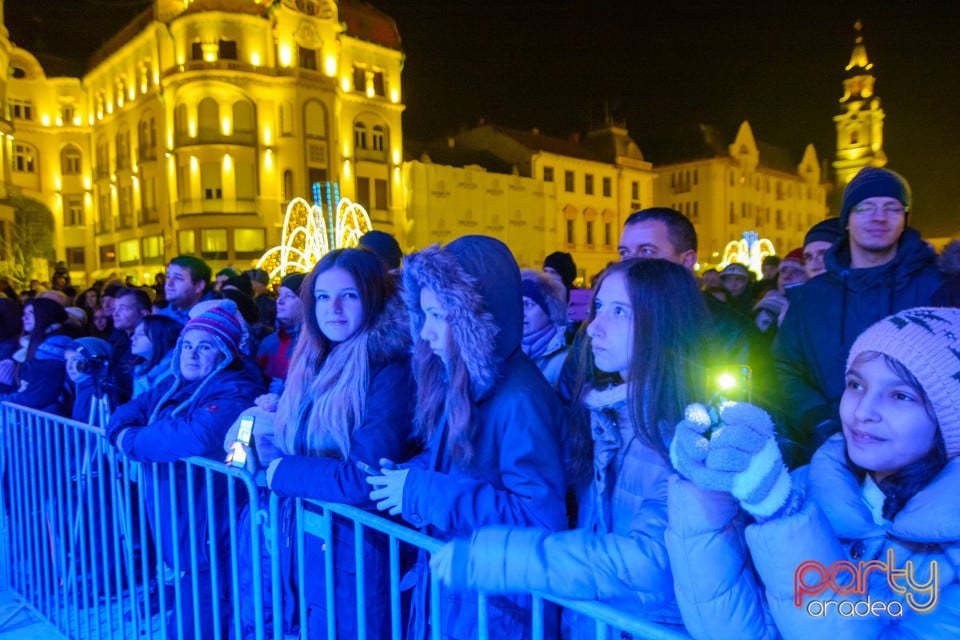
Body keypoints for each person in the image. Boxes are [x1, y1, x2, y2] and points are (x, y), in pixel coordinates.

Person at [430, 259, 708, 633]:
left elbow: (650, 561)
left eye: (620, 311)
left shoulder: (684, 436)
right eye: (599, 308)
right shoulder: (606, 416)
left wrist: (500, 558)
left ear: (665, 323)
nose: (594, 327)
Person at [668, 306, 960, 640]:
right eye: (856, 385)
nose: (863, 411)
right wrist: (704, 490)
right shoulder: (802, 485)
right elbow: (727, 629)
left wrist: (785, 521)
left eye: (900, 395)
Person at [367, 235, 567, 639]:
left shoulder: (518, 398)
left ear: (477, 317)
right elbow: (464, 464)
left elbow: (541, 517)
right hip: (463, 597)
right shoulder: (466, 380)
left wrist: (423, 490)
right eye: (423, 316)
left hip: (498, 609)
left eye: (439, 316)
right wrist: (409, 475)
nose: (425, 334)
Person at [230, 248, 414, 640]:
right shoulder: (315, 358)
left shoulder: (388, 368)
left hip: (356, 551)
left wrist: (280, 469)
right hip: (306, 535)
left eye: (349, 295)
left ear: (373, 298)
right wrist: (279, 413)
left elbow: (365, 478)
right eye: (322, 297)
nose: (334, 309)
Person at [105, 304, 266, 638]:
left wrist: (130, 441)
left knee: (203, 611)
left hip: (211, 524)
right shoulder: (173, 383)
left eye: (204, 347)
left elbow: (196, 435)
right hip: (185, 519)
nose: (192, 355)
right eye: (187, 346)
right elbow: (127, 410)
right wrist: (123, 432)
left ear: (223, 353)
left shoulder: (236, 387)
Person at [773, 167, 943, 467]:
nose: (879, 217)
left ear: (905, 219)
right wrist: (818, 420)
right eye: (865, 207)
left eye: (892, 208)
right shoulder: (812, 297)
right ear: (847, 219)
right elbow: (783, 367)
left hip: (920, 458)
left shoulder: (936, 289)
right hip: (828, 449)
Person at [0, 297, 73, 414]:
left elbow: (39, 393)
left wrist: (6, 400)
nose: (24, 318)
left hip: (48, 417)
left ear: (45, 314)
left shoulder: (55, 345)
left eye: (31, 313)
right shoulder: (34, 344)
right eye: (24, 313)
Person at [255, 272, 305, 392]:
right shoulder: (269, 343)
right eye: (279, 295)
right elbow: (258, 385)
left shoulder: (321, 343)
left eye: (289, 296)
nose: (279, 301)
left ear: (306, 302)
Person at [520, 269, 568, 387]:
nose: (521, 312)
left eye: (529, 304)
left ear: (550, 311)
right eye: (518, 304)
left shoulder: (565, 360)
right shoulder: (507, 352)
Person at [110, 287, 152, 402]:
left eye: (123, 309)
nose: (115, 313)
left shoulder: (153, 346)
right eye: (115, 308)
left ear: (144, 313)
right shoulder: (117, 341)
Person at [130, 315, 183, 399]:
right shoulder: (140, 369)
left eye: (140, 334)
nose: (133, 338)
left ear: (160, 337)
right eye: (134, 334)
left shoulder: (174, 373)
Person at [159, 255, 214, 325]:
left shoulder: (213, 320)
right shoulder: (160, 317)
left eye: (178, 277)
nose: (169, 283)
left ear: (199, 286)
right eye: (168, 276)